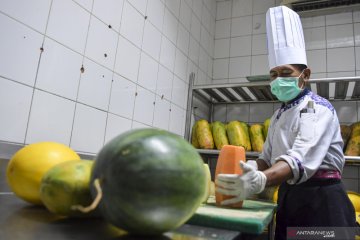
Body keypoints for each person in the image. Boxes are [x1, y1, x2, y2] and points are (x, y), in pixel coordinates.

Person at [215, 5, 357, 240]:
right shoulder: (280, 115)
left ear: (306, 75)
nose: (278, 80)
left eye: (286, 72)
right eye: (273, 74)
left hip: (323, 202)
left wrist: (262, 179)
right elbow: (267, 157)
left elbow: (299, 158)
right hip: (290, 197)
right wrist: (251, 168)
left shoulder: (316, 108)